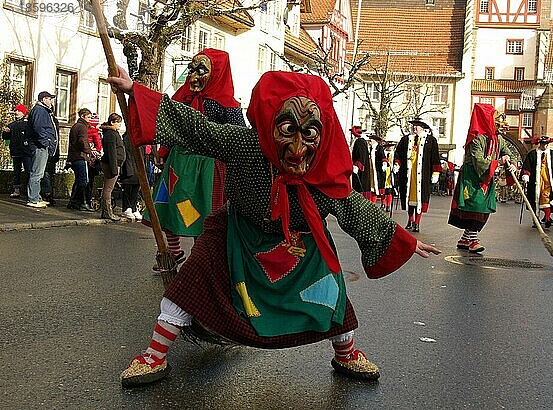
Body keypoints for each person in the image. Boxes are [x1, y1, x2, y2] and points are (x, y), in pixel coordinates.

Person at [108, 68, 440, 387]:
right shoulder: (245, 145)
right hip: (236, 230)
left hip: (299, 239)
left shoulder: (324, 172)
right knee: (192, 278)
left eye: (308, 133)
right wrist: (136, 92)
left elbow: (355, 206)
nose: (298, 148)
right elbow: (198, 128)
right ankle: (155, 354)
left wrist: (404, 241)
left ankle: (346, 353)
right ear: (270, 125)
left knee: (331, 292)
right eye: (287, 130)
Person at [144, 48, 245, 268]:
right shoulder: (183, 97)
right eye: (192, 68)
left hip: (208, 168)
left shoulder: (228, 104)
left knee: (203, 216)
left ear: (217, 72)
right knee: (170, 209)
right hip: (178, 164)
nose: (194, 75)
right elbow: (173, 127)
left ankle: (199, 259)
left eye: (202, 69)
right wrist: (164, 151)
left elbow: (239, 138)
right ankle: (174, 251)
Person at [448, 104, 516, 253]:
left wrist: (511, 163)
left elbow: (507, 152)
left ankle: (466, 238)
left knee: (484, 208)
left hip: (487, 176)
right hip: (472, 177)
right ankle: (473, 240)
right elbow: (478, 161)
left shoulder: (498, 138)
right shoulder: (476, 139)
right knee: (475, 207)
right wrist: (499, 162)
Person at [394, 119, 442, 233]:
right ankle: (410, 220)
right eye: (413, 126)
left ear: (422, 127)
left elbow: (435, 157)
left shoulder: (430, 140)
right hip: (408, 174)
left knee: (420, 198)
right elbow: (398, 153)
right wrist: (397, 163)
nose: (414, 128)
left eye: (417, 126)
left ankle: (417, 222)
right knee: (409, 197)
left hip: (423, 175)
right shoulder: (405, 139)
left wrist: (436, 172)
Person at [521, 135, 553, 228]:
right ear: (540, 144)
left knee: (546, 198)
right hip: (535, 182)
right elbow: (527, 166)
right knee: (535, 200)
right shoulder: (532, 154)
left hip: (548, 181)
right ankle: (536, 219)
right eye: (543, 144)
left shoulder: (551, 154)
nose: (545, 146)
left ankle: (547, 218)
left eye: (546, 144)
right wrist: (526, 175)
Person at [26, 91, 58, 208]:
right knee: (37, 173)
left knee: (39, 173)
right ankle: (33, 199)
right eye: (49, 99)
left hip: (40, 145)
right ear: (44, 99)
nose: (51, 102)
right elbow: (39, 128)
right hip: (39, 146)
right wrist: (46, 143)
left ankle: (36, 197)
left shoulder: (41, 110)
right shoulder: (40, 110)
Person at [66, 108, 95, 212]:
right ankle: (82, 203)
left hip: (75, 156)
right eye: (89, 117)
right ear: (83, 116)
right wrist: (90, 152)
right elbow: (83, 141)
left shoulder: (76, 126)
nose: (90, 119)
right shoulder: (82, 127)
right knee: (83, 181)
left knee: (79, 180)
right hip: (80, 156)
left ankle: (73, 202)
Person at [99, 113, 126, 220]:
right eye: (118, 122)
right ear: (112, 122)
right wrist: (114, 168)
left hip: (114, 163)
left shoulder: (112, 133)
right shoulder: (111, 134)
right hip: (111, 164)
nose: (119, 125)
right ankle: (107, 212)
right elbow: (111, 152)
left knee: (108, 187)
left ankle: (107, 211)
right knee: (108, 188)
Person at [2, 104, 32, 198]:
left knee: (29, 171)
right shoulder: (12, 125)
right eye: (16, 111)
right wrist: (5, 132)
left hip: (26, 151)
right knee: (16, 172)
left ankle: (29, 190)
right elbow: (5, 137)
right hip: (15, 151)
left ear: (23, 112)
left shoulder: (27, 124)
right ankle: (16, 190)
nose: (16, 112)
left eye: (18, 111)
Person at [120, 131, 142, 221]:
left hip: (138, 167)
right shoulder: (128, 137)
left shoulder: (139, 137)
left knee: (136, 189)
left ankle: (133, 208)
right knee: (128, 188)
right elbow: (127, 154)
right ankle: (126, 208)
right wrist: (128, 169)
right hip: (130, 167)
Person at [85, 112, 103, 208]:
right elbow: (99, 146)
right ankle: (87, 198)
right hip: (92, 158)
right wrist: (97, 149)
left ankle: (83, 198)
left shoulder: (86, 130)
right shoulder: (95, 132)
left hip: (86, 157)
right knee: (90, 180)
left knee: (85, 178)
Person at [349, 125, 370, 199]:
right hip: (359, 168)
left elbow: (361, 155)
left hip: (360, 170)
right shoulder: (359, 141)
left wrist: (357, 166)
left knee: (359, 185)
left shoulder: (359, 142)